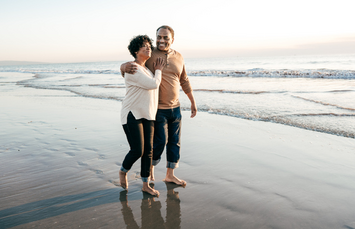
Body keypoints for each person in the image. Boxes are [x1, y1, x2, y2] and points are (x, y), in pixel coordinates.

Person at [121, 26, 197, 186]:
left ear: (172, 39)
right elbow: (135, 64)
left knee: (175, 142)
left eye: (165, 37)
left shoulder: (179, 57)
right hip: (157, 109)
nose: (161, 40)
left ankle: (170, 174)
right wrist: (122, 67)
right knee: (159, 142)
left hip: (175, 107)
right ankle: (150, 170)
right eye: (159, 37)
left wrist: (192, 100)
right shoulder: (150, 53)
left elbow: (184, 79)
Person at [119, 35, 165, 196]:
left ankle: (145, 185)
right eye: (144, 46)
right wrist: (159, 70)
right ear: (136, 51)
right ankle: (123, 171)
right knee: (138, 150)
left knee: (148, 151)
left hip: (148, 114)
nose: (148, 48)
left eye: (148, 46)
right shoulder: (133, 67)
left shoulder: (146, 69)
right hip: (132, 113)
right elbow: (153, 84)